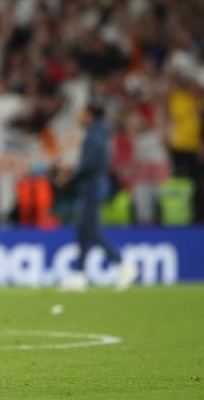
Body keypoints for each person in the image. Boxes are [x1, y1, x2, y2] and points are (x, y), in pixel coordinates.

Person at [56, 102, 138, 292]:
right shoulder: (101, 133)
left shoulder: (94, 135)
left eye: (82, 113)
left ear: (90, 115)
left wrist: (69, 178)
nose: (79, 116)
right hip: (93, 186)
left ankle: (123, 266)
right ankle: (79, 274)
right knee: (83, 231)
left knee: (91, 231)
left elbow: (90, 164)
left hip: (92, 188)